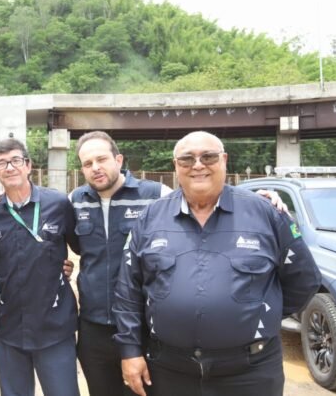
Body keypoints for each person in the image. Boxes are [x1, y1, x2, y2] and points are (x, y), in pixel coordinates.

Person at [113, 131, 321, 396]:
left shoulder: (266, 214)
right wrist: (130, 352)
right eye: (187, 159)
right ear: (176, 166)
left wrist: (256, 312)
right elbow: (128, 291)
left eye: (208, 156)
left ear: (224, 160)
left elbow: (304, 279)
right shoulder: (149, 219)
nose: (198, 165)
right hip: (168, 371)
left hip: (249, 373)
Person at [70, 131, 170, 396]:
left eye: (101, 159)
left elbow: (202, 206)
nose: (95, 168)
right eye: (87, 163)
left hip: (143, 327)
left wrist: (261, 200)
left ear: (118, 159)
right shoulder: (75, 201)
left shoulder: (157, 195)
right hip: (93, 328)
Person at [0, 138, 81, 396]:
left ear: (28, 165)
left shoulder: (58, 204)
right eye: (1, 163)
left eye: (16, 160)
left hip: (54, 325)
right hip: (10, 327)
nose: (10, 167)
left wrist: (66, 268)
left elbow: (82, 248)